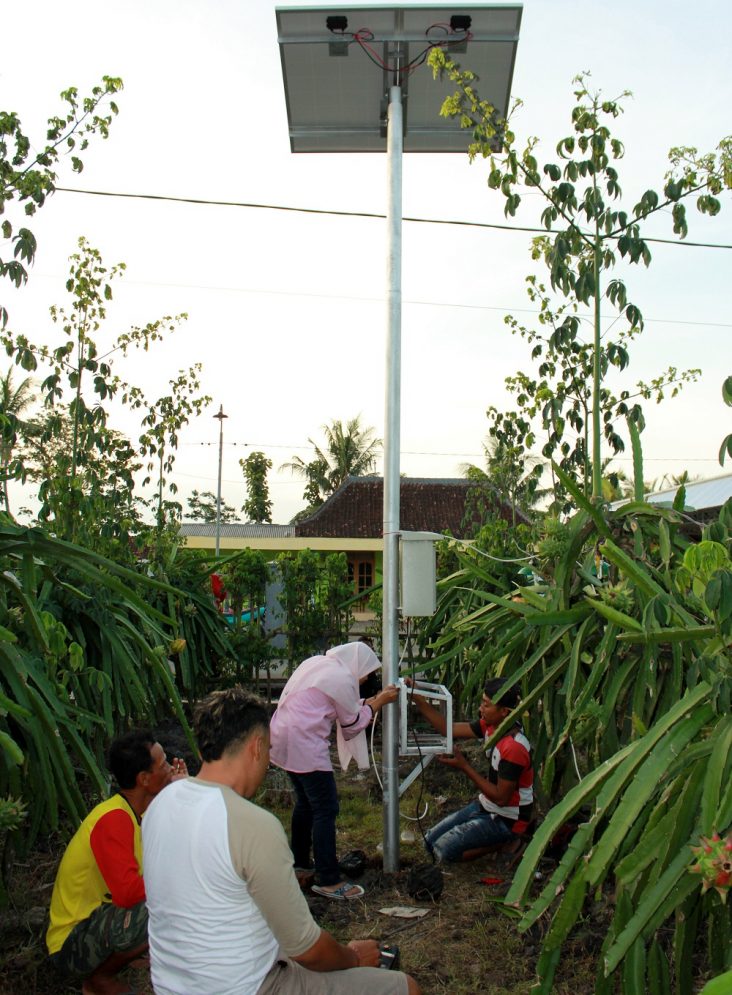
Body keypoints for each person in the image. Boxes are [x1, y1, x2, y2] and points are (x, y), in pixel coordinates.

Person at [142, 687, 421, 995]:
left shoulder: (160, 804)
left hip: (172, 985)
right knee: (405, 987)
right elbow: (308, 949)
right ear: (257, 747)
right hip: (248, 988)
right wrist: (354, 956)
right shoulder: (251, 825)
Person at [46, 730, 187, 995]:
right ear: (144, 779)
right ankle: (100, 978)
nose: (170, 768)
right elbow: (127, 893)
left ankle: (125, 954)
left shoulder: (136, 812)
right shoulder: (114, 820)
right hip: (71, 944)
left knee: (171, 896)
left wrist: (179, 790)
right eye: (164, 764)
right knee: (168, 901)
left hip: (94, 924)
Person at [269, 641, 398, 899]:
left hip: (283, 735)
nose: (364, 680)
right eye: (367, 673)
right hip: (305, 742)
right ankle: (328, 879)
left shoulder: (319, 664)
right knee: (326, 808)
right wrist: (379, 702)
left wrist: (369, 701)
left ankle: (300, 864)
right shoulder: (342, 678)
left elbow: (339, 703)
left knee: (306, 803)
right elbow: (350, 723)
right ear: (357, 665)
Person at [407, 677, 533, 863]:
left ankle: (509, 841)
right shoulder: (491, 727)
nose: (481, 709)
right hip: (487, 806)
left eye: (486, 705)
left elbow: (501, 798)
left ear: (504, 712)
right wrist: (419, 699)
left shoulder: (513, 748)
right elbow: (446, 729)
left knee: (442, 851)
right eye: (482, 702)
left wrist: (464, 766)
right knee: (429, 841)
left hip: (508, 819)